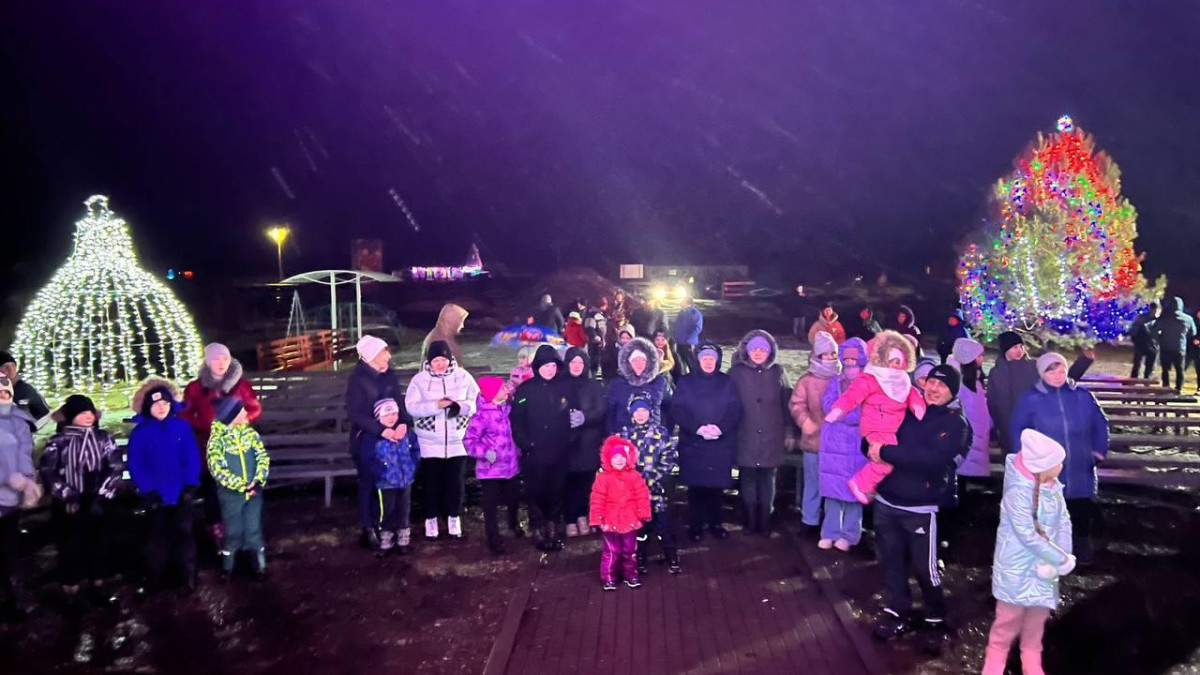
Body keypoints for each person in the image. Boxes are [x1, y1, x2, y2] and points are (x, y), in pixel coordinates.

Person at [870, 366, 971, 655]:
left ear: (953, 391)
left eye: (942, 385)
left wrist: (885, 452)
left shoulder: (955, 423)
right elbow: (878, 431)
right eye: (931, 382)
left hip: (921, 506)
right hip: (887, 499)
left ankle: (935, 619)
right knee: (892, 561)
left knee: (925, 568)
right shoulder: (908, 410)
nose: (934, 389)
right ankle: (897, 611)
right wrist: (870, 444)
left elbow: (931, 459)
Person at [982, 429, 1076, 675]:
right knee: (1005, 627)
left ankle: (1032, 666)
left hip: (1044, 573)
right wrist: (1059, 558)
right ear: (1043, 467)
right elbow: (1027, 535)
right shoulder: (1017, 494)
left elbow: (1064, 521)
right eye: (1058, 463)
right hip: (1017, 573)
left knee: (1036, 628)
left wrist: (1064, 555)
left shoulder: (1053, 489)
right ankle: (993, 667)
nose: (1062, 466)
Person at [1010, 352, 1108, 565]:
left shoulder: (1082, 395)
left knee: (1081, 512)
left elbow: (1100, 424)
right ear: (1042, 374)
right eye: (1051, 372)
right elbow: (1019, 431)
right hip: (1049, 471)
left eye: (1061, 370)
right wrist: (1027, 464)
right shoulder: (1030, 399)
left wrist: (1098, 451)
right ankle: (1053, 556)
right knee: (1051, 514)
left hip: (1080, 467)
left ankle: (1082, 553)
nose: (1057, 376)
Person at [825, 330, 926, 504]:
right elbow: (853, 395)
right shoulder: (871, 378)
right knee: (887, 461)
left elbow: (913, 396)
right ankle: (860, 483)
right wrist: (839, 410)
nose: (894, 365)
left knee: (887, 460)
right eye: (891, 360)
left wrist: (919, 409)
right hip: (875, 427)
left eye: (898, 362)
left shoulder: (903, 381)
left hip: (890, 429)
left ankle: (866, 486)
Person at [40, 395, 125, 594]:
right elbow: (48, 471)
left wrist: (103, 494)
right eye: (82, 413)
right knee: (70, 546)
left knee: (99, 543)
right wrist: (67, 494)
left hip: (98, 500)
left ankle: (98, 581)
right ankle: (71, 586)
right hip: (70, 503)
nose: (88, 416)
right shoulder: (59, 441)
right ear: (71, 416)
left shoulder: (103, 438)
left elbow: (115, 466)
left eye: (90, 412)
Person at [181, 342, 262, 546]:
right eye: (216, 359)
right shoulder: (196, 387)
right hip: (208, 441)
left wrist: (241, 421)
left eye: (225, 358)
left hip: (236, 442)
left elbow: (254, 408)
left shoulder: (241, 385)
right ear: (208, 362)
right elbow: (185, 413)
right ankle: (215, 525)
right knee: (212, 485)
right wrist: (204, 425)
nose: (221, 363)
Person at [127, 379, 201, 592]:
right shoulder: (140, 433)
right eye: (156, 404)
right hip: (156, 495)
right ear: (147, 407)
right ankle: (156, 578)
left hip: (180, 492)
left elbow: (192, 457)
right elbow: (136, 464)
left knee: (184, 535)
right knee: (156, 538)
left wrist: (190, 484)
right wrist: (147, 490)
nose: (161, 408)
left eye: (165, 404)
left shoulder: (182, 427)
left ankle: (187, 577)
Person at [406, 340, 479, 540]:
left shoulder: (463, 376)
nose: (440, 364)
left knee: (455, 483)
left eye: (443, 360)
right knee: (432, 483)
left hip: (457, 440)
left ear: (450, 359)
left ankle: (454, 518)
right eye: (436, 360)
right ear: (429, 361)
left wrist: (459, 406)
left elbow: (477, 401)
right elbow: (411, 407)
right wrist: (435, 405)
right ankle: (431, 519)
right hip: (429, 442)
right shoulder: (419, 380)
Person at [672, 342, 742, 542]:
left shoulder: (727, 382)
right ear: (698, 360)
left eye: (712, 358)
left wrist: (720, 428)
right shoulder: (686, 382)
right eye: (705, 358)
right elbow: (678, 409)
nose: (708, 362)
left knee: (716, 487)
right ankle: (696, 524)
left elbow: (735, 409)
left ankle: (715, 522)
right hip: (694, 443)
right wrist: (697, 428)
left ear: (717, 360)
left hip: (719, 443)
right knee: (696, 487)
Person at [987, 331, 1093, 457]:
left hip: (1036, 430)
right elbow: (992, 404)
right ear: (1005, 349)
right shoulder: (996, 372)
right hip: (1008, 433)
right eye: (1015, 347)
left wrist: (1083, 363)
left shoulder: (1034, 366)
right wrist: (994, 432)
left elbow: (1060, 381)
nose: (1020, 350)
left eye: (1021, 346)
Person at [510, 345, 574, 551]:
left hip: (559, 451)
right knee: (535, 490)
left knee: (556, 490)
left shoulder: (564, 388)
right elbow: (517, 420)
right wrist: (526, 444)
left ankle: (553, 527)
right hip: (534, 453)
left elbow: (571, 414)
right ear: (538, 367)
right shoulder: (525, 390)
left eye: (553, 366)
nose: (550, 370)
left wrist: (569, 437)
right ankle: (537, 527)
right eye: (546, 366)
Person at [345, 335, 405, 549]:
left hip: (392, 437)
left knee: (391, 483)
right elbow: (355, 414)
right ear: (371, 355)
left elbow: (399, 401)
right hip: (367, 440)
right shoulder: (358, 379)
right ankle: (369, 527)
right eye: (384, 352)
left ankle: (391, 526)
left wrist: (403, 423)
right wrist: (381, 431)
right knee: (369, 484)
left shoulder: (389, 375)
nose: (388, 356)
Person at [729, 330, 790, 536]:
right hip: (744, 433)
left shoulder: (779, 372)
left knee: (767, 477)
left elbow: (787, 403)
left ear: (770, 352)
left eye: (762, 349)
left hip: (772, 434)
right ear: (746, 350)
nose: (758, 353)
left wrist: (789, 431)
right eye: (754, 349)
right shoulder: (736, 373)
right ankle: (750, 519)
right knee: (747, 476)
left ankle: (765, 520)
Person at [207, 397, 269, 581]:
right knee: (233, 531)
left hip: (254, 492)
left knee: (253, 529)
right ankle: (228, 567)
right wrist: (241, 486)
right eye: (241, 410)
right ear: (231, 416)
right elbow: (217, 469)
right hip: (231, 495)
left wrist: (258, 481)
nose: (245, 413)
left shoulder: (251, 435)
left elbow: (262, 457)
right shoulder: (217, 441)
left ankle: (259, 566)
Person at [817, 338, 869, 551]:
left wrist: (843, 414)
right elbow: (827, 403)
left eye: (853, 359)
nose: (849, 363)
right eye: (846, 359)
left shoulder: (868, 384)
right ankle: (829, 532)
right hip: (833, 444)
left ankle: (849, 534)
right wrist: (842, 412)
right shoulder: (835, 381)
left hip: (856, 444)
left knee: (854, 493)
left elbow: (864, 411)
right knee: (833, 491)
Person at [621, 393, 679, 574]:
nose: (640, 414)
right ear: (631, 413)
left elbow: (669, 458)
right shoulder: (624, 434)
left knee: (664, 525)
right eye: (636, 411)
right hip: (634, 493)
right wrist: (633, 480)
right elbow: (618, 461)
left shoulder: (661, 433)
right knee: (639, 528)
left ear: (650, 412)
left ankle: (671, 557)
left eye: (644, 410)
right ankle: (640, 559)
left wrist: (653, 476)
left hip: (657, 490)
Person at [464, 377, 523, 554]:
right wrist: (485, 453)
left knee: (514, 498)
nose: (506, 390)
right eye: (502, 388)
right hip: (490, 470)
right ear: (492, 394)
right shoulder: (481, 416)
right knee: (490, 504)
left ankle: (513, 523)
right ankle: (493, 537)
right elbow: (469, 441)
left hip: (511, 465)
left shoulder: (508, 409)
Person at [789, 331, 840, 530]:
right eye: (824, 354)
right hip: (814, 440)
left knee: (834, 485)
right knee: (812, 482)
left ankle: (831, 524)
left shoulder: (842, 377)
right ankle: (809, 520)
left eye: (832, 353)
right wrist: (805, 421)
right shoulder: (807, 381)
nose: (829, 357)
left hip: (837, 443)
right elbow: (796, 404)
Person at [589, 436, 651, 591]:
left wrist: (644, 513)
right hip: (610, 520)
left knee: (630, 550)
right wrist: (597, 519)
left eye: (622, 457)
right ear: (608, 459)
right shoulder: (602, 478)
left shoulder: (635, 476)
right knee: (612, 550)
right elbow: (597, 500)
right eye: (615, 457)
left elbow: (642, 496)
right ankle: (609, 577)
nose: (619, 460)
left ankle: (630, 574)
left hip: (630, 519)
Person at [0, 375, 36, 620]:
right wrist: (7, 477)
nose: (3, 395)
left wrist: (27, 478)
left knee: (10, 549)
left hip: (11, 500)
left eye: (7, 391)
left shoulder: (18, 420)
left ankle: (13, 598)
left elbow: (25, 451)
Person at [562, 348, 606, 538]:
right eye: (573, 362)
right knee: (569, 482)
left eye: (580, 362)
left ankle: (584, 515)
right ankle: (571, 518)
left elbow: (601, 409)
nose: (576, 366)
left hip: (588, 441)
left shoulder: (593, 385)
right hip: (567, 442)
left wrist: (585, 417)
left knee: (587, 482)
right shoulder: (560, 384)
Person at [367, 398, 420, 556]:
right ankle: (386, 539)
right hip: (386, 483)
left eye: (394, 414)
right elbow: (368, 458)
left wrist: (412, 465)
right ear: (378, 417)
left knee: (404, 508)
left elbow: (415, 449)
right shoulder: (374, 437)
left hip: (405, 480)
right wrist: (381, 471)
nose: (391, 418)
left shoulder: (406, 433)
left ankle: (403, 539)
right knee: (387, 510)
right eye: (386, 415)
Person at [606, 336, 672, 433]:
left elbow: (670, 408)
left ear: (649, 362)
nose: (639, 364)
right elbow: (610, 412)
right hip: (623, 437)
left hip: (653, 437)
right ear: (628, 363)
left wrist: (664, 431)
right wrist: (612, 434)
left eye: (642, 360)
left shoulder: (660, 382)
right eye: (635, 360)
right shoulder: (617, 384)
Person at [1153, 296, 1196, 392]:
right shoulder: (1188, 319)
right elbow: (1193, 332)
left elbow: (1154, 330)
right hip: (1180, 347)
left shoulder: (1164, 318)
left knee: (1165, 369)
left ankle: (1166, 387)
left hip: (1165, 346)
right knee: (1180, 369)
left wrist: (1158, 340)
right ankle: (1178, 388)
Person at [0, 351, 50, 425]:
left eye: (12, 366)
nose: (10, 370)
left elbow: (45, 416)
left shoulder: (27, 391)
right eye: (4, 368)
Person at [1126, 302, 1159, 380]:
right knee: (1140, 363)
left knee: (1143, 363)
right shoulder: (1152, 319)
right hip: (1145, 343)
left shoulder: (1143, 318)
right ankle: (1141, 378)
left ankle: (1141, 378)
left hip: (1146, 344)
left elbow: (1133, 329)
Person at [672, 296, 703, 376]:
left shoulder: (693, 313)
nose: (680, 302)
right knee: (681, 364)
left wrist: (690, 340)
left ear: (686, 302)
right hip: (680, 342)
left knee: (691, 364)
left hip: (688, 343)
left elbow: (697, 327)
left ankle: (695, 379)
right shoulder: (682, 312)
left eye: (682, 300)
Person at [584, 299, 609, 377]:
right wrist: (598, 339)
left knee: (599, 362)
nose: (606, 307)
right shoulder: (592, 315)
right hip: (595, 345)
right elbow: (589, 329)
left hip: (600, 344)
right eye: (605, 305)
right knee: (594, 362)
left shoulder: (599, 314)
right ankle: (593, 378)